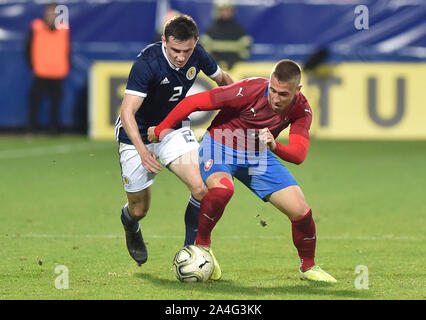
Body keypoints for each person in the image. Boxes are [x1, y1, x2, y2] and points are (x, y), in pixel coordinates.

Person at [148, 59, 337, 282]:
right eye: (272, 90)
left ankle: (308, 267)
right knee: (222, 190)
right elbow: (195, 102)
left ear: (298, 90)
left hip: (257, 155)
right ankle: (203, 247)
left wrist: (275, 146)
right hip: (220, 144)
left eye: (283, 95)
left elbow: (298, 154)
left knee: (301, 211)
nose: (275, 98)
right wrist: (161, 130)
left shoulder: (302, 109)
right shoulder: (248, 90)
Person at [115, 15, 233, 266]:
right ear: (164, 42)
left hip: (173, 129)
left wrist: (242, 104)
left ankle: (190, 253)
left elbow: (224, 81)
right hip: (137, 132)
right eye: (175, 50)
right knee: (139, 210)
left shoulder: (198, 54)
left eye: (187, 50)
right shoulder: (148, 63)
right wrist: (143, 151)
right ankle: (129, 224)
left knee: (202, 188)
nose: (181, 56)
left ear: (195, 43)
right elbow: (127, 112)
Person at [25, 3, 70, 134]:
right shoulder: (36, 27)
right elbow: (27, 48)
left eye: (53, 13)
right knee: (35, 101)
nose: (51, 16)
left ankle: (54, 129)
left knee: (55, 103)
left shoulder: (63, 29)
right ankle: (31, 129)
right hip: (41, 71)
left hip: (58, 72)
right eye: (49, 13)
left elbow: (67, 50)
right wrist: (32, 65)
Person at [201, 0, 252, 70]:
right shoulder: (210, 30)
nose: (225, 12)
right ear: (217, 11)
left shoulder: (239, 30)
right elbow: (204, 51)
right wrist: (214, 61)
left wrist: (236, 60)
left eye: (227, 10)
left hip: (236, 68)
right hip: (215, 68)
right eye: (222, 10)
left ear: (232, 11)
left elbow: (246, 50)